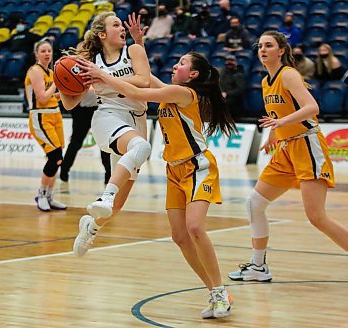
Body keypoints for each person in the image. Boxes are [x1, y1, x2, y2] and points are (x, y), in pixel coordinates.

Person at [77, 51, 237, 319]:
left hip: (198, 167)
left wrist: (102, 76)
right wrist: (137, 46)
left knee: (195, 227)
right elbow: (142, 77)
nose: (175, 64)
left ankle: (220, 292)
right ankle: (214, 292)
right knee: (179, 236)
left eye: (182, 63)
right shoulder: (170, 90)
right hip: (174, 171)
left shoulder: (184, 93)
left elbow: (138, 93)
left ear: (193, 75)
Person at [227, 31, 348, 291]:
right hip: (286, 148)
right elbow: (277, 111)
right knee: (254, 203)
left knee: (316, 216)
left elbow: (312, 108)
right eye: (260, 46)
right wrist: (274, 134)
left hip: (307, 145)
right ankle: (258, 266)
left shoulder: (289, 74)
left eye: (269, 46)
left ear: (281, 50)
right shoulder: (267, 81)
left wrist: (282, 123)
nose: (262, 50)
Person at [58, 12, 152, 256]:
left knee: (118, 207)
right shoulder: (93, 63)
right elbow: (69, 104)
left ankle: (89, 228)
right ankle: (105, 196)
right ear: (102, 34)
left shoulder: (134, 51)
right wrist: (63, 80)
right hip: (108, 117)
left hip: (137, 120)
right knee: (141, 148)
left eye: (121, 25)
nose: (122, 28)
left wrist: (103, 77)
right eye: (116, 25)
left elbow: (143, 81)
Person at [25, 40, 67, 212]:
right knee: (54, 157)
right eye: (43, 51)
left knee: (58, 159)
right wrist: (57, 83)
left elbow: (50, 97)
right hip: (41, 117)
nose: (47, 53)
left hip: (55, 114)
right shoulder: (35, 71)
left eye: (49, 50)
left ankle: (49, 196)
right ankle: (41, 195)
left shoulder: (50, 72)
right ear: (36, 54)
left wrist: (64, 91)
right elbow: (42, 98)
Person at [60, 88, 112, 184]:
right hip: (81, 110)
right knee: (76, 142)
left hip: (101, 109)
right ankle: (64, 170)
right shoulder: (80, 74)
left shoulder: (106, 73)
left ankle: (109, 174)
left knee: (104, 143)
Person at [219, 55, 245, 122]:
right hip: (222, 97)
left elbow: (240, 90)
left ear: (235, 62)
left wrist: (227, 94)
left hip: (234, 100)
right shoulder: (223, 74)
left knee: (226, 104)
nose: (229, 62)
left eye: (231, 61)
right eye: (228, 61)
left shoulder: (239, 75)